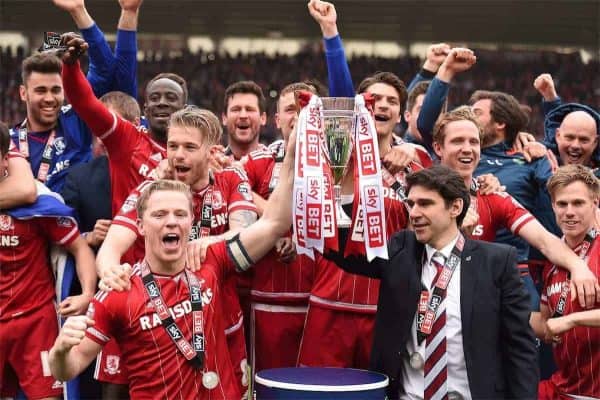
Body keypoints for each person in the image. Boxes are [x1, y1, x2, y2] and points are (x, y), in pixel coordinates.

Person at [48, 129, 298, 399]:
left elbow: (275, 223)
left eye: (180, 214)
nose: (171, 221)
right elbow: (67, 369)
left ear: (191, 222)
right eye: (160, 214)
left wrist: (293, 153)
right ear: (141, 226)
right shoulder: (119, 292)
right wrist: (59, 351)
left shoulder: (211, 261)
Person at [326, 165, 539, 399]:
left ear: (455, 207)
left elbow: (520, 349)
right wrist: (341, 192)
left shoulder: (497, 262)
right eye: (411, 204)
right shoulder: (401, 249)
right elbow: (345, 252)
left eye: (425, 204)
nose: (414, 213)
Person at [96, 106, 258, 395]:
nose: (177, 155)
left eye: (189, 147)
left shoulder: (232, 179)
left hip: (222, 320)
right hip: (156, 321)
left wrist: (209, 242)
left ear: (212, 152)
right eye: (172, 146)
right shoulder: (152, 190)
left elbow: (245, 233)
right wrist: (110, 273)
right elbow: (112, 246)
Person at [433, 107, 600, 307]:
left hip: (472, 309)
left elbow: (545, 241)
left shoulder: (492, 195)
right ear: (438, 148)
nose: (467, 148)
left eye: (474, 142)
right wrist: (449, 232)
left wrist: (578, 266)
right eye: (457, 141)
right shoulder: (419, 192)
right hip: (425, 307)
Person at [0, 121, 96, 400]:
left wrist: (87, 294)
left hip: (34, 322)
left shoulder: (39, 204)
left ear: (7, 158)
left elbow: (80, 249)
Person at [60, 35, 187, 218]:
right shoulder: (127, 138)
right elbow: (85, 103)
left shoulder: (197, 152)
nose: (162, 103)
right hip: (130, 244)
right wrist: (71, 67)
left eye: (171, 98)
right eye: (154, 98)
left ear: (184, 109)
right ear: (145, 109)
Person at [242, 81, 317, 373]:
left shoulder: (339, 162)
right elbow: (233, 188)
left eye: (306, 108)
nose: (298, 115)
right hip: (269, 299)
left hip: (320, 300)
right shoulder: (259, 159)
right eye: (290, 109)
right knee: (267, 384)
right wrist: (275, 228)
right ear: (277, 120)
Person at [529, 164, 600, 399]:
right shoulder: (551, 260)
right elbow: (547, 324)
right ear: (552, 206)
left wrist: (572, 320)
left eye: (578, 203)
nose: (569, 212)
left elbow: (563, 322)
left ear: (595, 203)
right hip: (563, 388)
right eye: (562, 204)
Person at [10, 52, 93, 193]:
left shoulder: (76, 122)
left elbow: (103, 75)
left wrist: (88, 33)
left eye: (55, 90)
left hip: (74, 214)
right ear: (23, 93)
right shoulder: (9, 143)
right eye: (41, 91)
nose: (49, 98)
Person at [221, 80, 268, 161]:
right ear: (224, 118)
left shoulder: (277, 167)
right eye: (236, 109)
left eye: (250, 109)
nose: (243, 116)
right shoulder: (212, 168)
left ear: (263, 118)